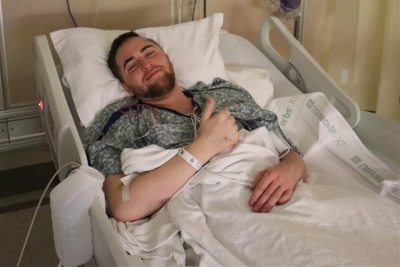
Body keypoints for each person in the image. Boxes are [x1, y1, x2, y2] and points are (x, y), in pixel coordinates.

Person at [84, 31, 306, 222]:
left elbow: (284, 146)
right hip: (219, 212)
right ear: (126, 87)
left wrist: (291, 169)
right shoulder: (122, 121)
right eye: (132, 65)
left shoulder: (225, 93)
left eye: (150, 53)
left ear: (168, 59)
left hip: (282, 196)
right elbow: (122, 206)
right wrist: (205, 146)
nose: (146, 64)